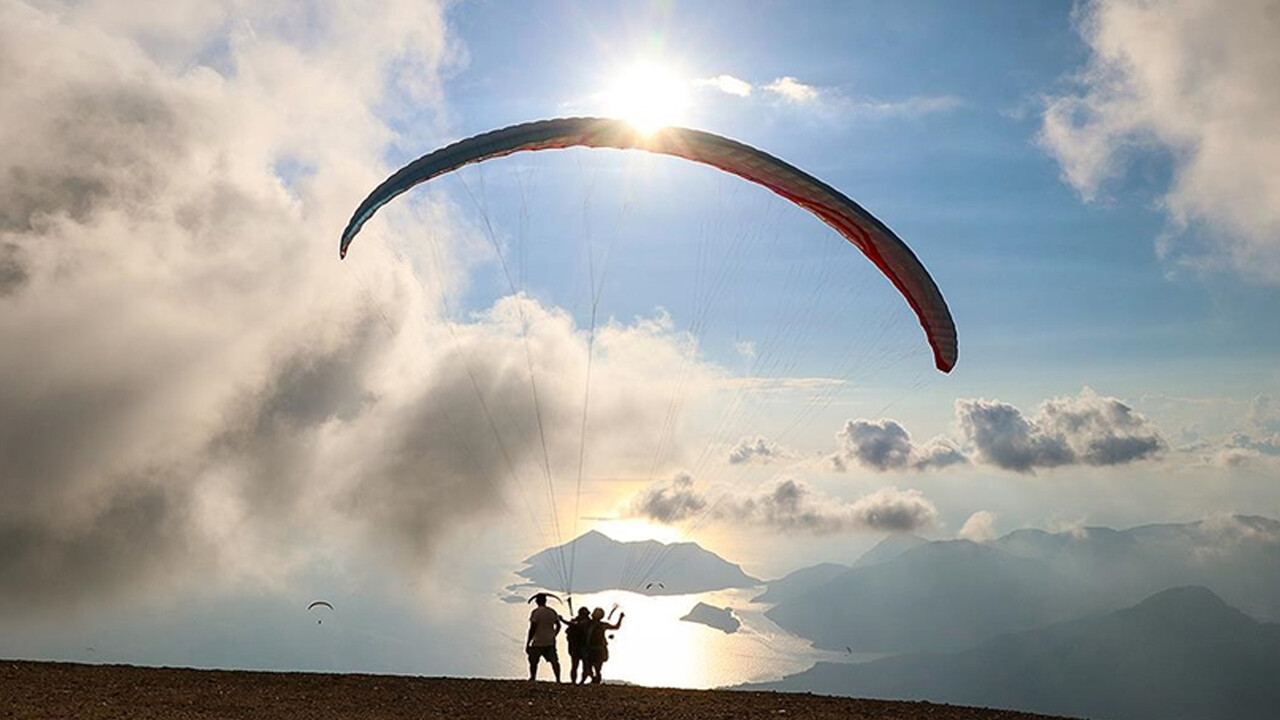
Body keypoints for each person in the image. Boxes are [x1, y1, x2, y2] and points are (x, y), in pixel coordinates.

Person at [526, 593, 562, 682]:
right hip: (550, 641)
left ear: (537, 602)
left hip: (538, 641)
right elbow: (558, 625)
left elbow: (532, 628)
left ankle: (533, 677)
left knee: (533, 661)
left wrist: (528, 642)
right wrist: (554, 634)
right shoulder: (552, 611)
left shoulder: (536, 612)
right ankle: (558, 679)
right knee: (554, 661)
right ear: (545, 601)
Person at [585, 606, 624, 684]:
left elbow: (616, 627)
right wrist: (620, 618)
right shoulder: (589, 623)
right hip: (593, 648)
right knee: (592, 668)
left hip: (597, 648)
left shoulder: (597, 624)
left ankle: (595, 681)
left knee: (596, 668)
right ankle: (595, 680)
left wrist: (620, 618)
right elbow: (616, 627)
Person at [563, 607, 592, 684]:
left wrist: (563, 620)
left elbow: (576, 626)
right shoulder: (584, 622)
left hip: (582, 646)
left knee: (581, 665)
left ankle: (580, 681)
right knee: (577, 665)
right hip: (578, 647)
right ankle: (575, 681)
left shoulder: (586, 622)